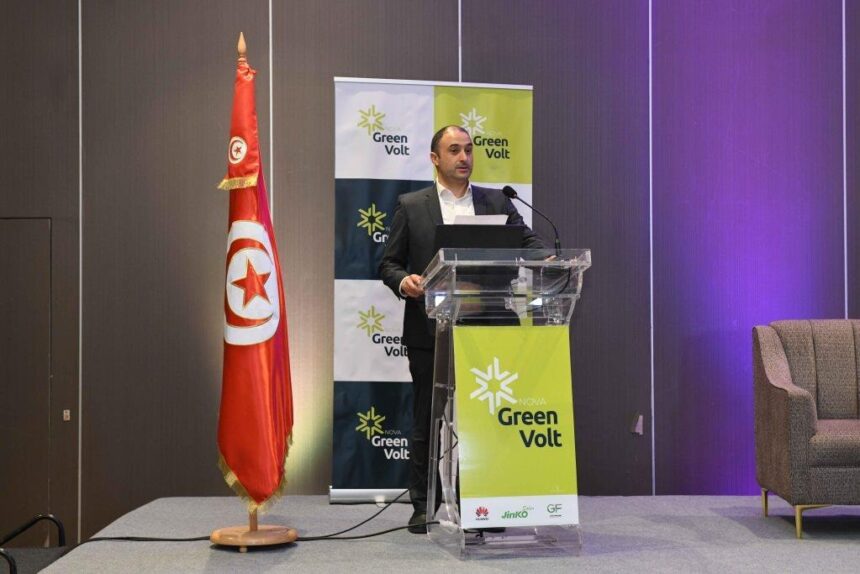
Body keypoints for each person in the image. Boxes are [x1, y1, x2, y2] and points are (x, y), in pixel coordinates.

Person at [379, 125, 544, 534]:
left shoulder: (497, 201)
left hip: (487, 327)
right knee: (428, 420)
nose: (464, 157)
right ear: (435, 158)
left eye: (468, 149)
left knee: (482, 422)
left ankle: (481, 506)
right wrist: (404, 281)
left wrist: (549, 259)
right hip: (430, 330)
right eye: (454, 150)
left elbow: (529, 243)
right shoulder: (411, 205)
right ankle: (424, 506)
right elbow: (388, 263)